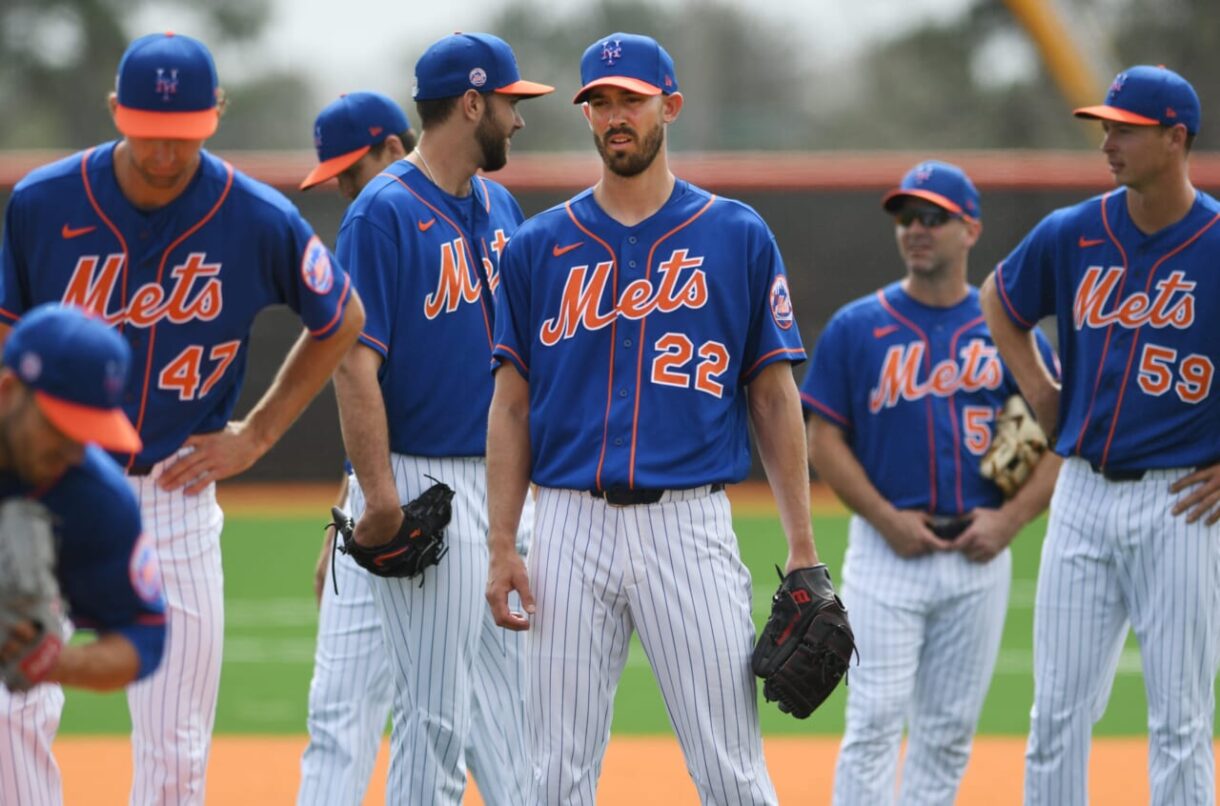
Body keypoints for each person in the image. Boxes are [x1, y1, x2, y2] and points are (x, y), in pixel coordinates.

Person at [0, 32, 364, 804]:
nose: (164, 152)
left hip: (174, 489)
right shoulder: (43, 202)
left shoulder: (256, 216)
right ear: (113, 111)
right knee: (12, 706)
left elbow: (340, 315)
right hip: (52, 482)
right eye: (147, 130)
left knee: (175, 742)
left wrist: (258, 433)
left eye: (184, 134)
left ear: (216, 115)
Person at [486, 32, 827, 804]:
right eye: (599, 102)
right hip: (567, 525)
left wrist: (802, 548)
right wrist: (502, 542)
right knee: (550, 776)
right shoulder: (538, 248)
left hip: (689, 525)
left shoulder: (735, 235)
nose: (615, 116)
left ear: (668, 106)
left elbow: (773, 397)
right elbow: (510, 406)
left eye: (631, 100)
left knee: (731, 770)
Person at [980, 65, 1220, 805]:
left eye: (1124, 128)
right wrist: (1043, 394)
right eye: (1104, 126)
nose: (1107, 141)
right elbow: (999, 298)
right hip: (1080, 496)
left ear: (1175, 137)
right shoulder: (1074, 232)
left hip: (1180, 503)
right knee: (1055, 714)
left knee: (1180, 720)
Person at [331, 33, 551, 805]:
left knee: (520, 721)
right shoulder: (382, 212)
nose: (517, 122)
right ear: (470, 103)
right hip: (424, 479)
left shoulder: (500, 205)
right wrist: (379, 496)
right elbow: (353, 363)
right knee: (434, 723)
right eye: (509, 104)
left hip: (498, 486)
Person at [801, 161, 1061, 805]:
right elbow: (822, 440)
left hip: (981, 552)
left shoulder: (1008, 332)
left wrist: (1010, 520)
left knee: (946, 734)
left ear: (970, 229)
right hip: (887, 555)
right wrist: (887, 520)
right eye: (906, 217)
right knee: (873, 723)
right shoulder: (858, 327)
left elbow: (1063, 439)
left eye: (933, 217)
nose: (916, 229)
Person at [295, 90, 414, 806]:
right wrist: (352, 506)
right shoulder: (376, 224)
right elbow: (367, 383)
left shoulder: (469, 220)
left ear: (394, 148)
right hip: (376, 492)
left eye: (351, 166)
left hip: (453, 485)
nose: (342, 185)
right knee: (340, 709)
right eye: (333, 172)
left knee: (482, 721)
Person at [0, 304, 167, 806]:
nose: (75, 449)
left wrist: (54, 663)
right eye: (62, 425)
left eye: (88, 430)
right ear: (9, 392)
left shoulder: (94, 498)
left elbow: (145, 637)